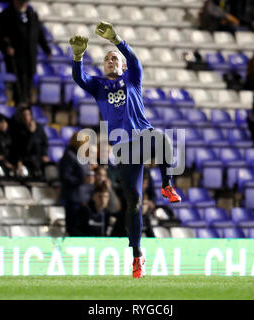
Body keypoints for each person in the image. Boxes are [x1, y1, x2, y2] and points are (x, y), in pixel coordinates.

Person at [70, 21, 182, 278]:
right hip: (122, 148)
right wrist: (78, 57)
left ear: (122, 66)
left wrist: (117, 40)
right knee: (133, 201)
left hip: (143, 136)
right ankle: (137, 255)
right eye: (107, 59)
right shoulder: (98, 86)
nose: (110, 61)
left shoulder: (133, 80)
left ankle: (167, 184)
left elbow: (134, 59)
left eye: (115, 59)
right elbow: (79, 78)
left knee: (162, 138)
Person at [0, 0, 52, 106]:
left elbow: (39, 34)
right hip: (15, 60)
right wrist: (5, 47)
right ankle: (20, 109)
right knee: (19, 89)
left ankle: (26, 109)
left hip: (30, 58)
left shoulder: (32, 14)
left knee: (28, 88)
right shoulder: (6, 15)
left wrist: (46, 49)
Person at [59, 131, 94, 236]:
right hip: (73, 200)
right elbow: (65, 177)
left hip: (84, 199)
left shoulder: (83, 156)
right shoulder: (69, 156)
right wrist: (82, 181)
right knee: (74, 228)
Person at [10, 107, 50, 177]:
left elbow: (45, 142)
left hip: (39, 157)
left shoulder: (39, 127)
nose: (26, 117)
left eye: (27, 115)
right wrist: (31, 133)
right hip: (27, 159)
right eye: (24, 116)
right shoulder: (19, 130)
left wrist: (44, 154)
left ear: (31, 116)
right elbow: (24, 148)